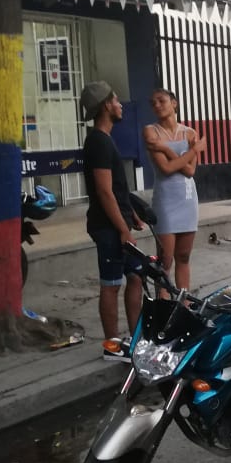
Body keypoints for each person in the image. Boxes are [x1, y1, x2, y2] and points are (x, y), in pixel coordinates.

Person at [81, 82, 144, 362]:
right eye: (116, 100)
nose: (120, 105)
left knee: (136, 277)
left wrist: (131, 214)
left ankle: (135, 336)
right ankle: (112, 344)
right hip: (107, 227)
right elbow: (104, 191)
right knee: (111, 284)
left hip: (119, 223)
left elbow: (116, 190)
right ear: (107, 105)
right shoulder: (97, 141)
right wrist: (122, 229)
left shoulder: (105, 139)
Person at [143, 88, 205, 290]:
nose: (157, 105)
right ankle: (164, 305)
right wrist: (194, 150)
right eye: (153, 103)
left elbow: (189, 170)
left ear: (174, 103)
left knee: (184, 256)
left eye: (161, 100)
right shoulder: (151, 131)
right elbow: (167, 169)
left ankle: (183, 303)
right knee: (165, 261)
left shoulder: (190, 132)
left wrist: (166, 148)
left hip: (187, 198)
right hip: (166, 200)